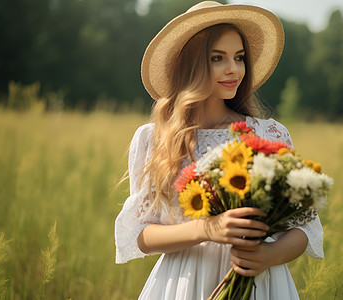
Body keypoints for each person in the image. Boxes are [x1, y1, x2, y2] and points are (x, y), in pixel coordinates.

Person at [115, 1, 324, 299]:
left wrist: (269, 256)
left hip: (260, 282)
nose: (233, 69)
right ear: (191, 64)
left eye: (239, 58)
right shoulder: (157, 138)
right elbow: (140, 234)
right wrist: (207, 229)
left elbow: (305, 229)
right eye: (218, 58)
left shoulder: (268, 134)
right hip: (185, 282)